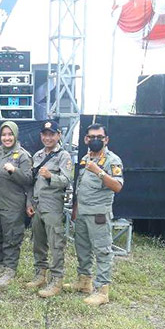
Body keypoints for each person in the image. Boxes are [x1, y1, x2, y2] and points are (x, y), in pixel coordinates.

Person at [70, 123, 124, 306]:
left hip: (98, 214)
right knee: (82, 248)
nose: (95, 140)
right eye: (92, 137)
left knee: (102, 251)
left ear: (106, 140)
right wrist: (75, 209)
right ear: (86, 139)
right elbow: (81, 185)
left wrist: (99, 172)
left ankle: (102, 291)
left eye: (99, 137)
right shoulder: (86, 158)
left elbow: (117, 186)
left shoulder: (112, 160)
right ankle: (84, 281)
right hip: (82, 212)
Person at [25, 120, 72, 298]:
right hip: (37, 204)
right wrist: (29, 202)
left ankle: (56, 280)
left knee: (56, 244)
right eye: (45, 134)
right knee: (38, 241)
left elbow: (67, 180)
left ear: (58, 135)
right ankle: (40, 274)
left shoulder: (63, 156)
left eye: (52, 134)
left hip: (52, 205)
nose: (48, 138)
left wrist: (51, 176)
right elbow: (32, 182)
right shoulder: (37, 155)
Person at [0, 121, 33, 289]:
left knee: (11, 238)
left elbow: (29, 180)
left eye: (10, 135)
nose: (7, 138)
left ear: (15, 135)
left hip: (12, 204)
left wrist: (14, 170)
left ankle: (9, 269)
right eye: (4, 135)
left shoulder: (22, 156)